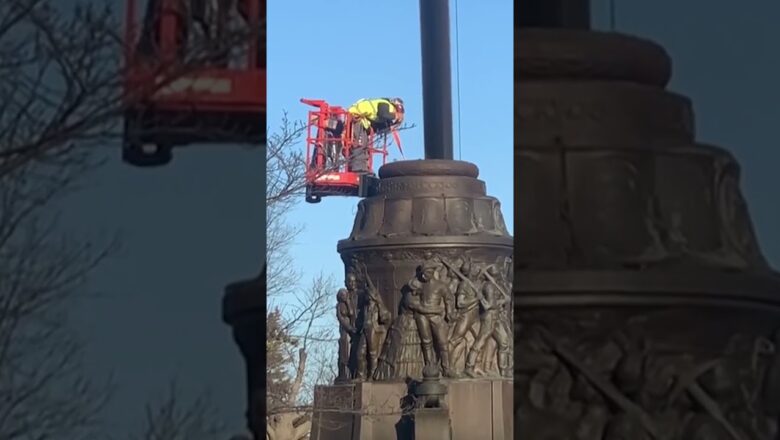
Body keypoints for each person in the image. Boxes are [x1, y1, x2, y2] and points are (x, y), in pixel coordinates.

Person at [346, 97, 404, 173]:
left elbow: (378, 126)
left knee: (365, 145)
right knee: (360, 145)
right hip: (355, 118)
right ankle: (358, 168)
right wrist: (395, 116)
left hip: (361, 122)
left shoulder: (383, 110)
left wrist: (390, 126)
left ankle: (363, 167)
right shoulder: (386, 105)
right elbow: (383, 114)